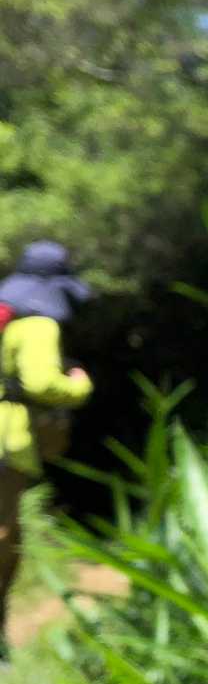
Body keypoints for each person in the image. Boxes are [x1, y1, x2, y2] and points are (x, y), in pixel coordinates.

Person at [0, 241, 93, 655]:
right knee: (5, 535)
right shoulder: (38, 325)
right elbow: (41, 383)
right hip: (7, 441)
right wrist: (79, 385)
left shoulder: (5, 317)